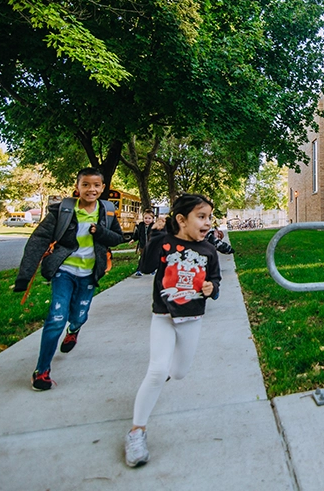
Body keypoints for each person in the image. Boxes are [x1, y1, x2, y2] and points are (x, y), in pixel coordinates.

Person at [124, 194, 221, 468]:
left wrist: (212, 289)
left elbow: (215, 281)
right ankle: (136, 431)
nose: (207, 223)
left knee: (178, 372)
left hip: (192, 319)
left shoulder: (208, 251)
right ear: (181, 219)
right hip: (163, 316)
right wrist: (154, 237)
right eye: (201, 217)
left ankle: (164, 374)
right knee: (156, 370)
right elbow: (145, 268)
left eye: (209, 218)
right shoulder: (165, 243)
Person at [14, 167, 124, 391]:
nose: (90, 189)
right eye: (85, 185)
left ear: (102, 188)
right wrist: (24, 276)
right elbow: (38, 241)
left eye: (96, 185)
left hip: (90, 273)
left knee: (79, 316)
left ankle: (73, 330)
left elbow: (117, 239)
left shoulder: (107, 212)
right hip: (64, 271)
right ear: (77, 187)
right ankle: (42, 371)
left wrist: (100, 232)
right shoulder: (62, 211)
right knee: (56, 317)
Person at [132, 209, 155, 276]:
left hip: (151, 246)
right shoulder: (141, 226)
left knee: (151, 258)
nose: (147, 220)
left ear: (152, 219)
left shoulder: (154, 227)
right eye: (145, 218)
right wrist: (133, 239)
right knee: (142, 258)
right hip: (142, 245)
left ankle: (152, 269)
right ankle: (139, 270)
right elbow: (137, 234)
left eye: (149, 218)